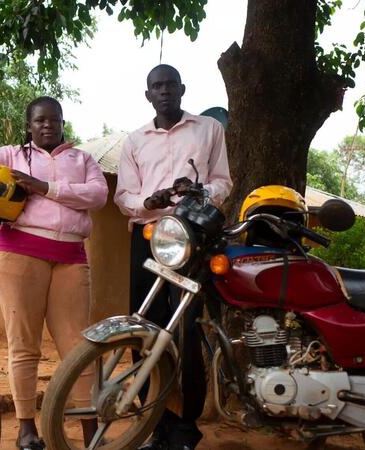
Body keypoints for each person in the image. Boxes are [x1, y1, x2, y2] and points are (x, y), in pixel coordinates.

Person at [0, 96, 108, 450]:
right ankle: (26, 429)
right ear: (29, 126)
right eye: (40, 120)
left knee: (78, 346)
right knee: (24, 344)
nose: (47, 125)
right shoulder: (11, 155)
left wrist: (42, 187)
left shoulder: (81, 159)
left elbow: (97, 196)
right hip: (18, 254)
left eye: (54, 120)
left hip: (71, 256)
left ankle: (89, 427)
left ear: (62, 122)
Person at [114, 64, 232, 450]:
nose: (164, 91)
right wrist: (150, 201)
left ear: (182, 89)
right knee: (144, 327)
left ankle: (184, 428)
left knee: (185, 329)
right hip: (148, 237)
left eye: (170, 85)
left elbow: (223, 182)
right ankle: (151, 423)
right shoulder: (134, 141)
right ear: (148, 95)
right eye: (156, 86)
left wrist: (197, 192)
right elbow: (124, 198)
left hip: (191, 237)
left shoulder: (208, 130)